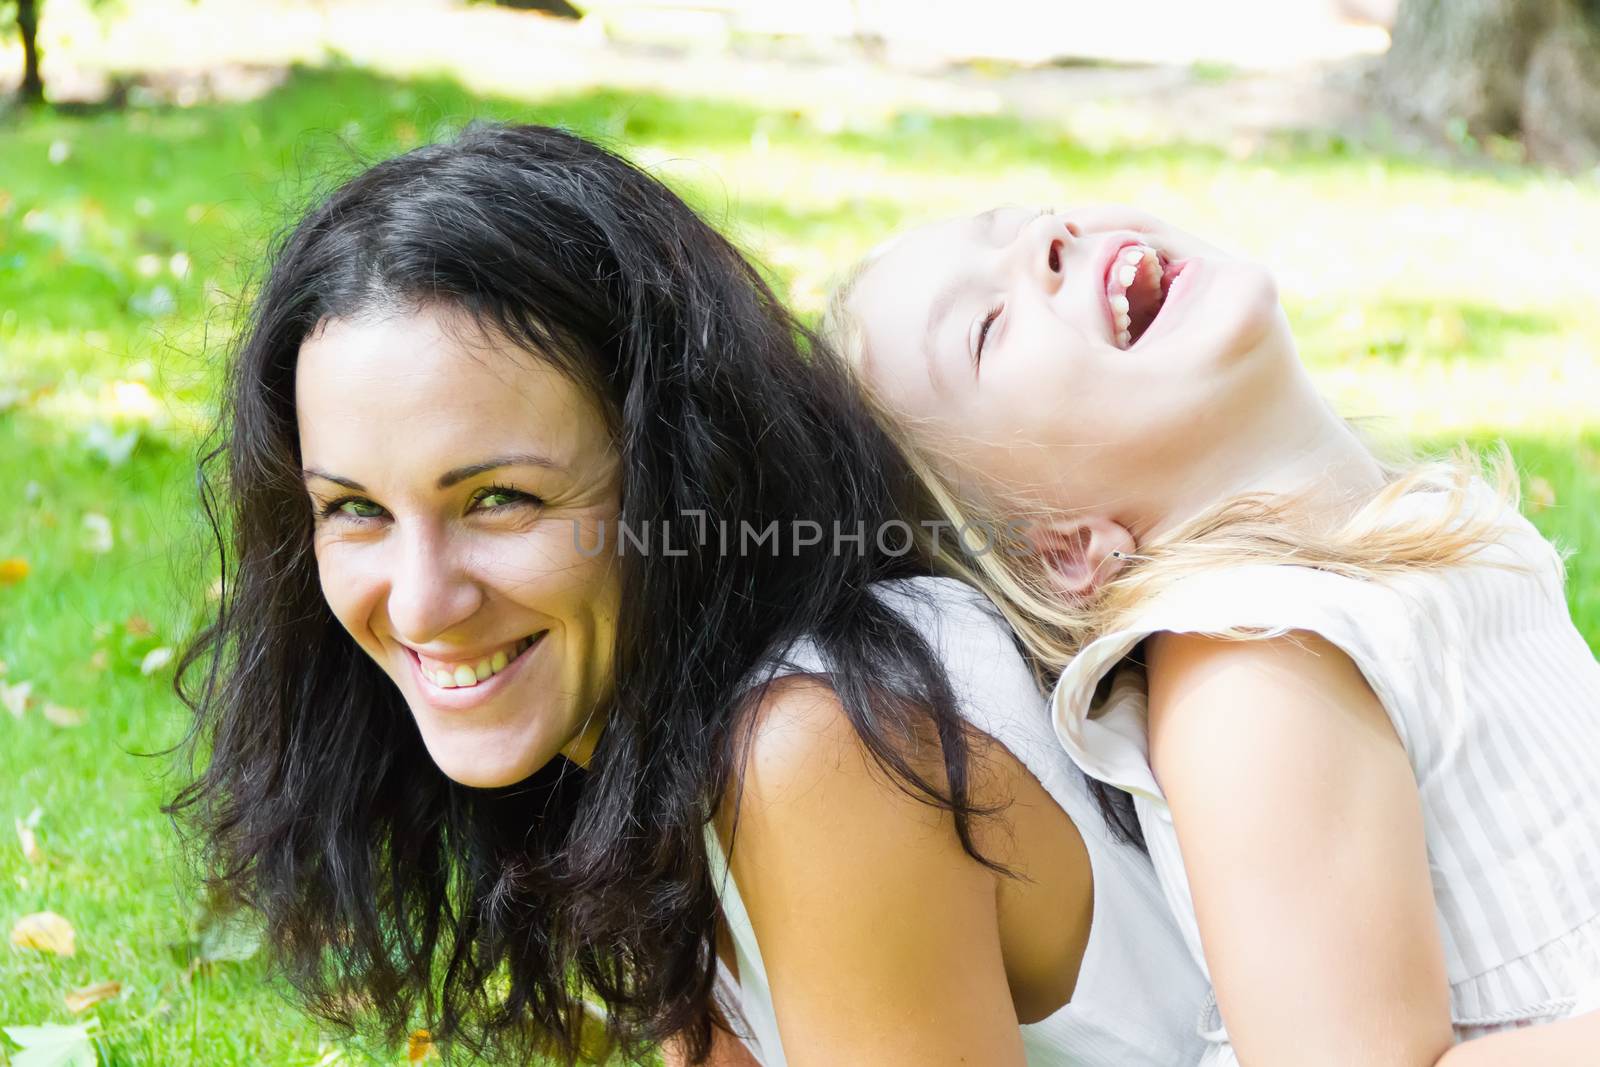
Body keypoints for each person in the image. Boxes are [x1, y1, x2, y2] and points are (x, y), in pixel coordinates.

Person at [163, 127, 1214, 1067]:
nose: (424, 601)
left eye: (498, 498)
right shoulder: (646, 716)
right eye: (354, 509)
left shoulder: (820, 742)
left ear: (678, 475)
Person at [824, 201, 1600, 1066]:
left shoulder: (1398, 551)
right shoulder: (1256, 667)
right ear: (1068, 545)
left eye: (1018, 220)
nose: (1046, 238)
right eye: (988, 327)